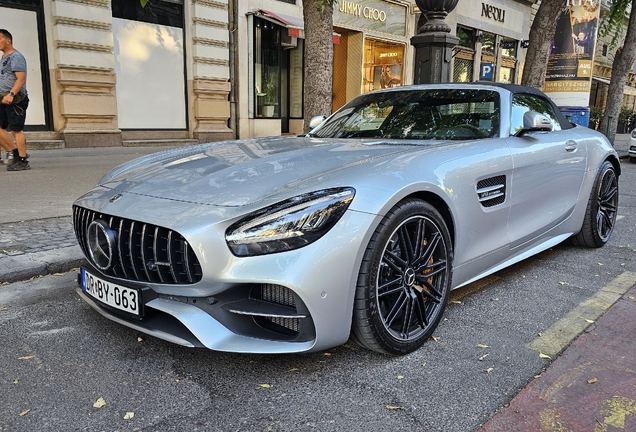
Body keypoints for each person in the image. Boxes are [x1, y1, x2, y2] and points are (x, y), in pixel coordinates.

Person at [0, 29, 29, 171]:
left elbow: (21, 79)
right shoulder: (4, 57)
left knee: (16, 129)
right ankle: (14, 152)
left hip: (16, 98)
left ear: (8, 40)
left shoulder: (16, 56)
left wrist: (11, 94)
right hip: (3, 97)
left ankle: (22, 161)